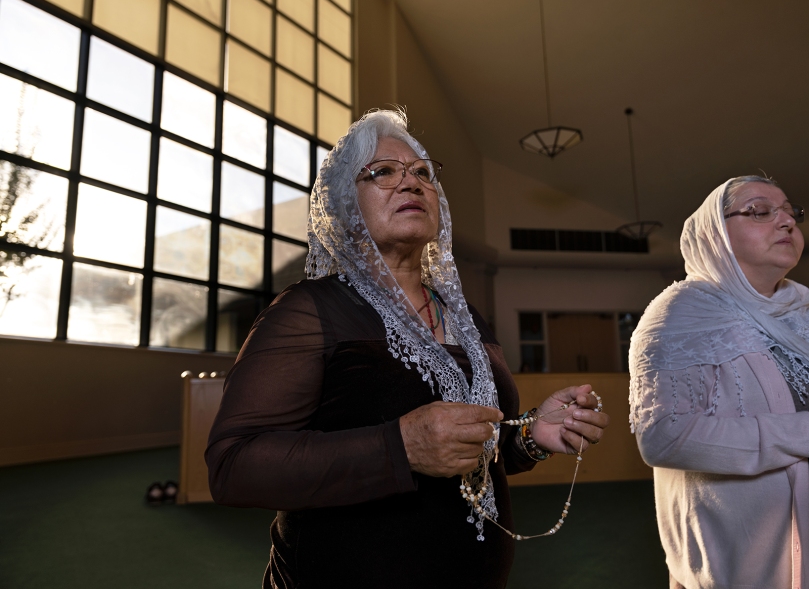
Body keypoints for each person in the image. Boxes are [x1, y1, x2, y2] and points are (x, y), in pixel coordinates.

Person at [205, 109, 609, 589]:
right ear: (344, 207)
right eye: (383, 172)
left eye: (423, 173)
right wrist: (399, 447)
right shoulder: (309, 312)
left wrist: (529, 438)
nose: (411, 183)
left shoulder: (467, 318)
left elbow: (476, 451)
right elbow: (234, 467)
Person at [629, 175, 808, 588]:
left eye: (791, 212)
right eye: (761, 211)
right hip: (737, 559)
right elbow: (663, 437)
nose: (786, 222)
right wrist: (801, 433)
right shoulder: (678, 314)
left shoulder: (802, 308)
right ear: (715, 235)